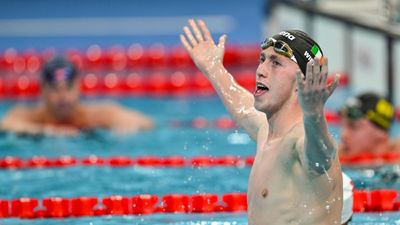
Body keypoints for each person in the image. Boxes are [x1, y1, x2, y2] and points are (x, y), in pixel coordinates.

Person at [180, 19, 342, 224]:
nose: (261, 70)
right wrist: (214, 68)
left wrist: (314, 114)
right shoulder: (267, 131)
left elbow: (322, 157)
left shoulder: (300, 139)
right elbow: (242, 107)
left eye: (276, 62)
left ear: (304, 79)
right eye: (262, 59)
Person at [1, 56, 154, 136]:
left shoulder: (95, 115)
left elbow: (146, 123)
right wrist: (49, 131)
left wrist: (126, 127)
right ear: (43, 91)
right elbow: (6, 124)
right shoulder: (29, 116)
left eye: (68, 88)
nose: (63, 96)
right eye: (55, 89)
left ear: (79, 88)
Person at [339, 92, 399, 163]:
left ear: (381, 132)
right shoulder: (335, 158)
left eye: (353, 127)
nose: (343, 135)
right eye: (343, 126)